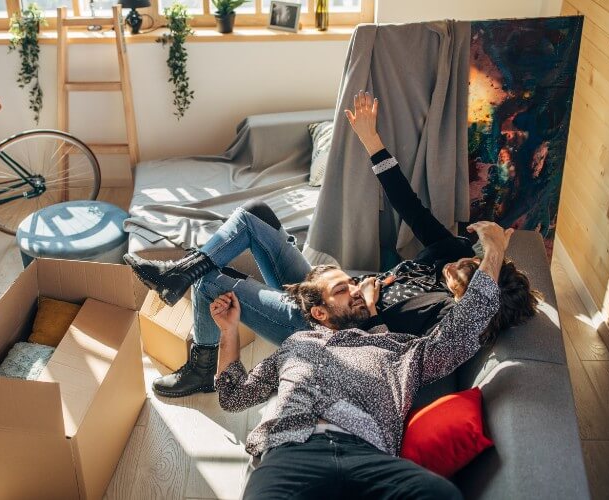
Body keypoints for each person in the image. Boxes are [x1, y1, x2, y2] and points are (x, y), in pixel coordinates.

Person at [124, 91, 540, 398]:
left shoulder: (447, 316)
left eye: (462, 275)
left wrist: (374, 308)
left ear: (472, 294)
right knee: (255, 214)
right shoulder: (451, 254)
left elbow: (377, 352)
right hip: (332, 293)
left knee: (211, 282)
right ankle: (182, 272)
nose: (454, 266)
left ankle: (201, 363)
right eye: (464, 260)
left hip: (325, 323)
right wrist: (370, 140)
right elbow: (408, 206)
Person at [211, 220, 510, 500]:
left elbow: (462, 331)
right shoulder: (294, 346)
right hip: (292, 449)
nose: (356, 289)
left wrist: (494, 250)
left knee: (440, 494)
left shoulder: (401, 349)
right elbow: (233, 397)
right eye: (342, 290)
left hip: (369, 454)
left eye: (353, 283)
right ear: (320, 314)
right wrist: (229, 331)